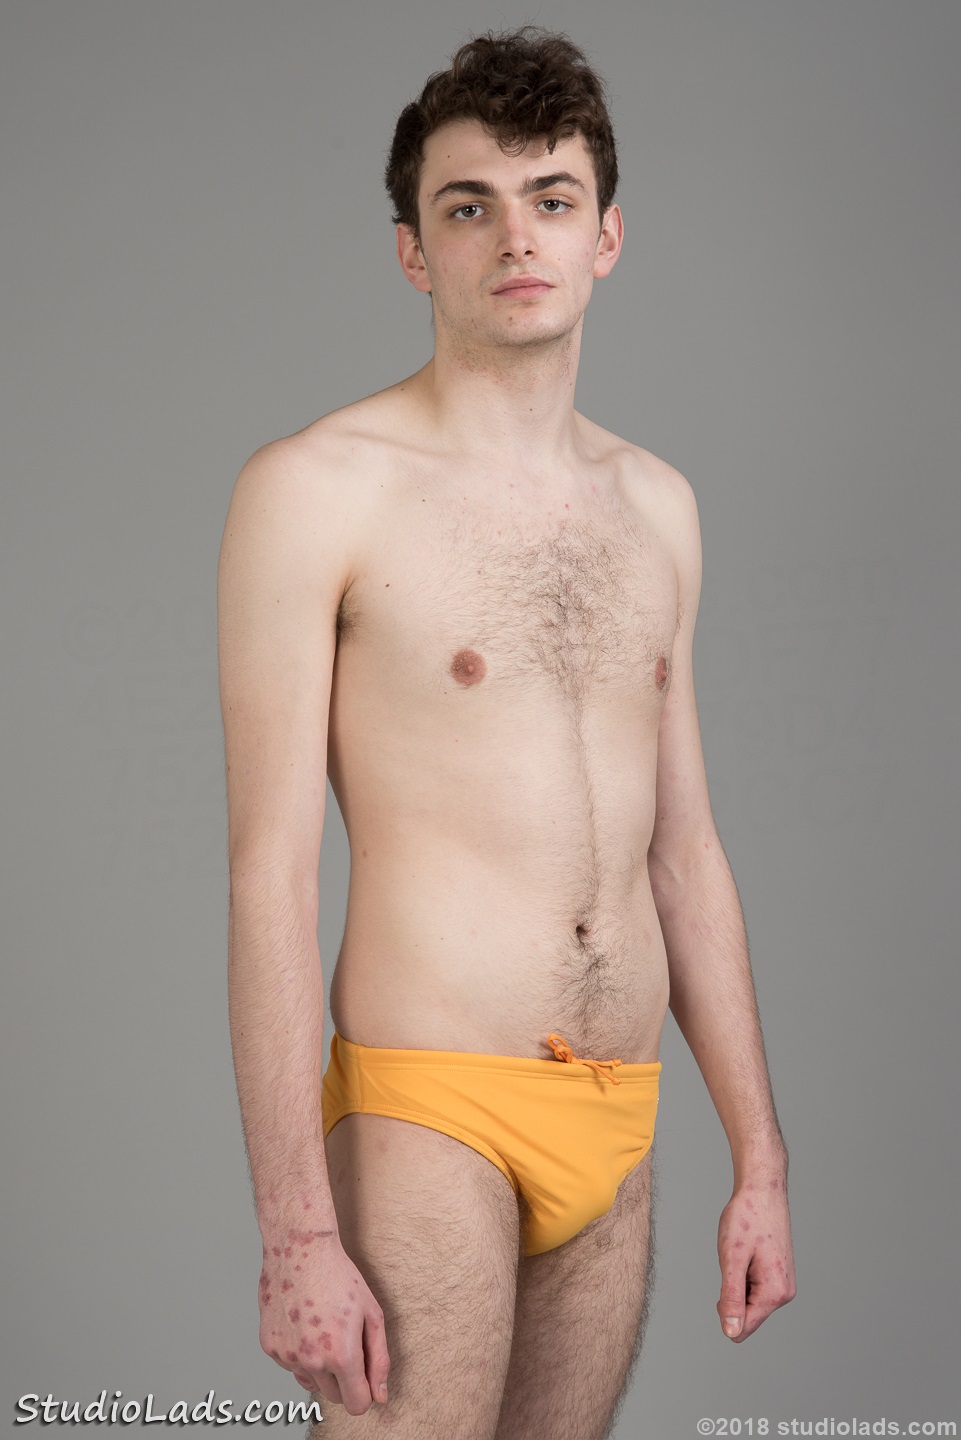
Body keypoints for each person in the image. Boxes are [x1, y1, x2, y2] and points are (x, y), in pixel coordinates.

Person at [217, 25, 796, 1440]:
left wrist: (760, 1162)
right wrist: (296, 1234)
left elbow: (684, 852)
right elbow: (268, 875)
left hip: (618, 1113)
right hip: (431, 1109)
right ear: (413, 251)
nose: (515, 235)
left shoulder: (657, 507)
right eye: (468, 205)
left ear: (607, 236)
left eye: (550, 198)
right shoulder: (317, 490)